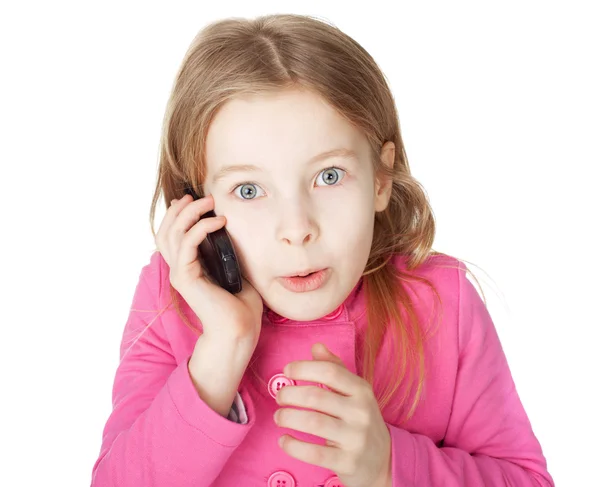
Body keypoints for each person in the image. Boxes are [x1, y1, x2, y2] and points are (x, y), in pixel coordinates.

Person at [90, 13, 554, 487]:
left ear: (381, 179)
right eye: (249, 190)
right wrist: (220, 351)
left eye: (328, 176)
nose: (297, 229)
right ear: (197, 209)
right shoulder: (171, 300)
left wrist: (390, 465)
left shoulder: (441, 301)